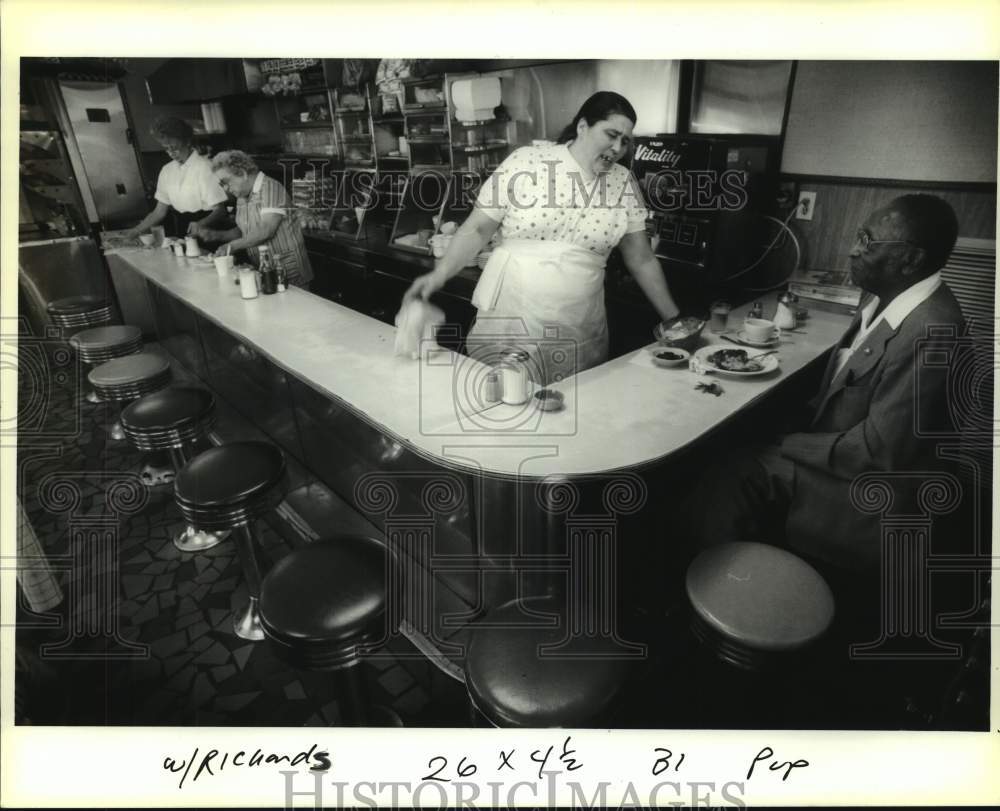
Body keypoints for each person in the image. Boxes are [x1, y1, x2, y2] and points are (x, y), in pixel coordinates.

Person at [688, 194, 966, 579]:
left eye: (868, 242)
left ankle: (720, 584)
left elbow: (878, 452)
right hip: (844, 452)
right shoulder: (882, 300)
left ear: (911, 260)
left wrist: (787, 443)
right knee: (738, 432)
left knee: (732, 471)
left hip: (869, 492)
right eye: (858, 236)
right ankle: (742, 556)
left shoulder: (932, 330)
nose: (853, 251)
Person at [404, 91, 681, 383]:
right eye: (611, 134)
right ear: (583, 126)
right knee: (503, 405)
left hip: (579, 325)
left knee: (570, 409)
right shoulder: (527, 162)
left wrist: (674, 320)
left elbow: (641, 258)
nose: (617, 147)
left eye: (625, 140)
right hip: (512, 318)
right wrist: (438, 275)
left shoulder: (622, 182)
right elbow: (477, 229)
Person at [193, 150, 314, 290]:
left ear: (243, 173)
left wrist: (232, 246)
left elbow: (266, 230)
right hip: (264, 269)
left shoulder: (271, 188)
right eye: (222, 185)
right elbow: (245, 231)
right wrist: (216, 235)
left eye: (226, 182)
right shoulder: (242, 196)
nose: (226, 189)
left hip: (288, 271)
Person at [124, 116, 228, 241]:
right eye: (166, 148)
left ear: (188, 142)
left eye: (174, 148)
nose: (171, 153)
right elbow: (159, 212)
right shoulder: (167, 171)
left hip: (208, 231)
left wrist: (201, 224)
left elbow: (220, 211)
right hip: (183, 231)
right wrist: (136, 231)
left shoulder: (205, 167)